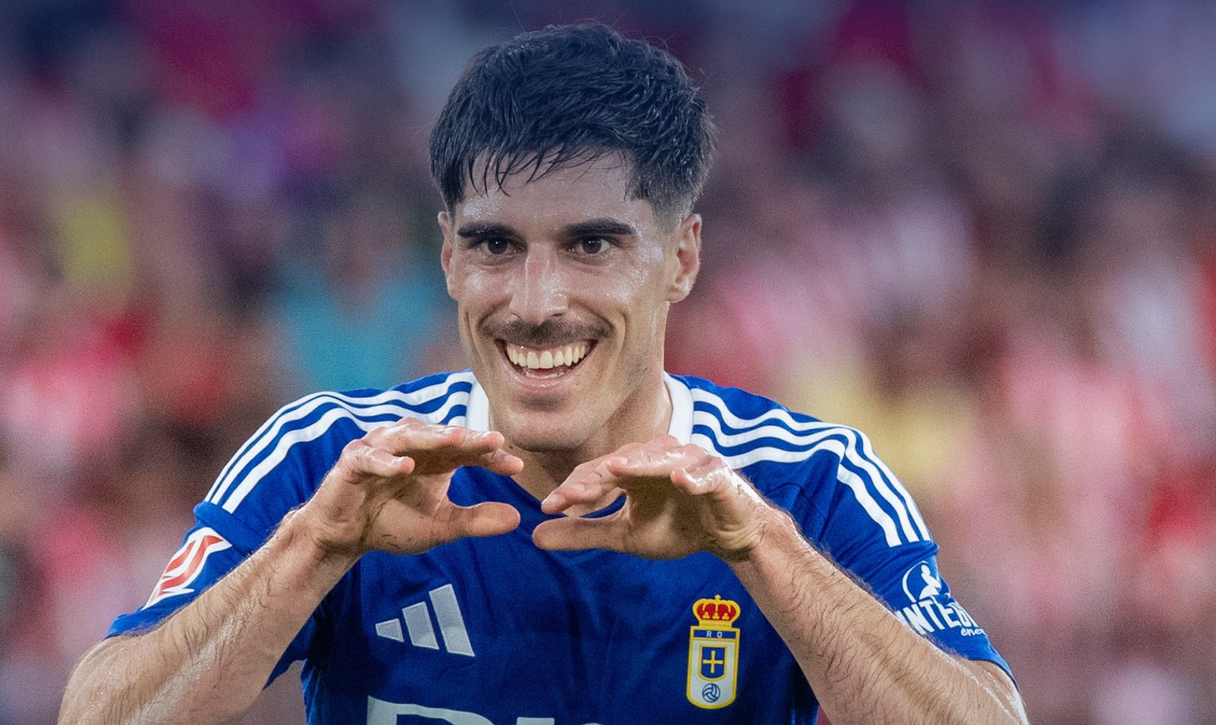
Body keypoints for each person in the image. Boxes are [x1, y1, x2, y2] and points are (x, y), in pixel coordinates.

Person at [58, 22, 1027, 725]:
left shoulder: (805, 483)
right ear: (446, 255)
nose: (534, 299)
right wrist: (315, 546)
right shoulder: (331, 461)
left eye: (591, 244)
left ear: (681, 257)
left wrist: (757, 548)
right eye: (494, 244)